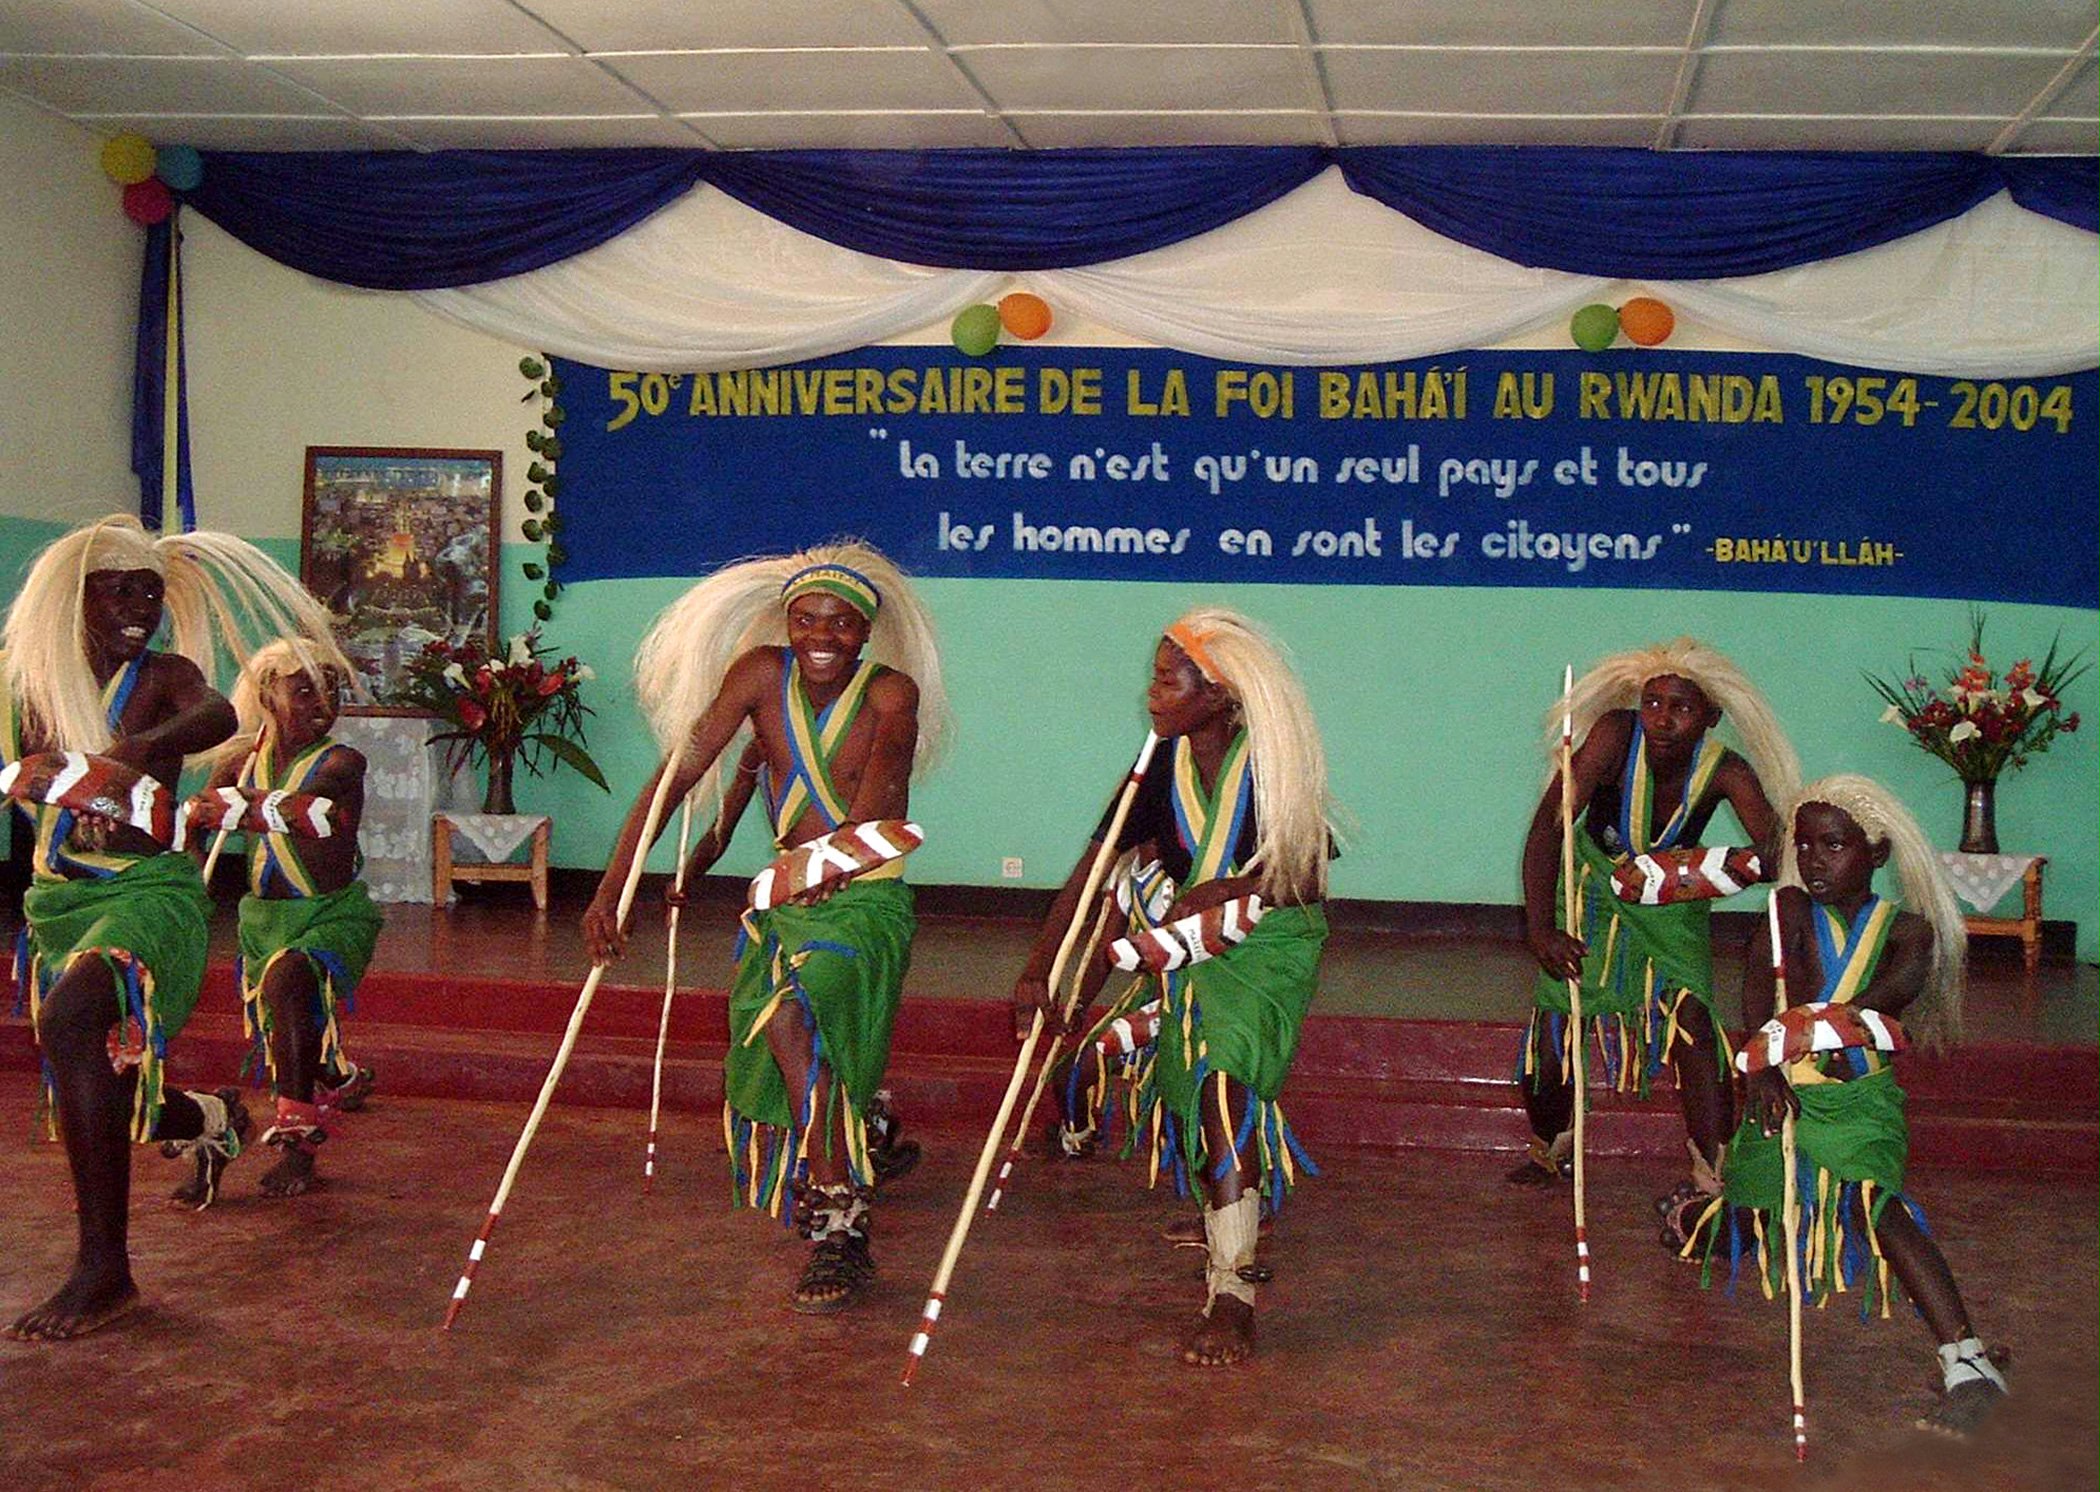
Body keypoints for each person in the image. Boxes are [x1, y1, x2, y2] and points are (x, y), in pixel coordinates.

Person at [1, 515, 341, 1339]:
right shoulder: (30, 689)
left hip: (151, 896)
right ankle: (212, 1121)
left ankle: (104, 1271)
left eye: (150, 591)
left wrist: (126, 753)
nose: (139, 606)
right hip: (56, 902)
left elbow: (216, 712)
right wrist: (48, 778)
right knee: (107, 1088)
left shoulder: (165, 678)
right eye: (120, 589)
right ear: (76, 599)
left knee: (76, 1020)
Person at [583, 542, 946, 1314]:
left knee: (788, 1020)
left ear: (865, 632)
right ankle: (857, 1133)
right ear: (786, 621)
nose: (822, 635)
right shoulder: (758, 674)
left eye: (842, 624)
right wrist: (617, 885)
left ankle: (842, 1220)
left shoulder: (891, 695)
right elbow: (677, 776)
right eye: (807, 619)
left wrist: (826, 870)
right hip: (788, 903)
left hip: (867, 900)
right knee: (792, 1032)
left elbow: (879, 806)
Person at [1014, 608, 1334, 1367]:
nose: (1151, 694)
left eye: (1167, 679)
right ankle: (1223, 1199)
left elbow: (1308, 876)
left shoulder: (1273, 760)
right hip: (1184, 949)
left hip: (1268, 948)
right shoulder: (1159, 766)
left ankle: (1233, 1292)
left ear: (1218, 695)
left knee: (1225, 1082)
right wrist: (1042, 967)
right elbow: (1095, 872)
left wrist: (1226, 888)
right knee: (1195, 1082)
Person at [1688, 776, 2009, 1437]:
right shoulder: (1787, 915)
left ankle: (1968, 1361)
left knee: (1872, 1206)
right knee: (1752, 1207)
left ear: (1879, 852)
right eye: (1804, 845)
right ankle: (1710, 1223)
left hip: (1858, 1104)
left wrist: (1835, 1031)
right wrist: (1765, 1072)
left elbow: (1880, 1003)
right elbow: (1756, 995)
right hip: (1784, 1100)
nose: (1813, 861)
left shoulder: (1910, 933)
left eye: (1832, 845)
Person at [1514, 639, 1797, 1243]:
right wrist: (1540, 927)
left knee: (1694, 1022)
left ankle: (1712, 1179)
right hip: (1589, 888)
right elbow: (1547, 829)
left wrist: (1718, 868)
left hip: (1668, 905)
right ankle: (1548, 1146)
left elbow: (1777, 852)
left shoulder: (1726, 770)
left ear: (1711, 717)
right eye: (1653, 703)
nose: (1663, 719)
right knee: (1556, 1032)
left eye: (1682, 708)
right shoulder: (1615, 735)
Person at [186, 637, 380, 1200]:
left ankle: (298, 1145)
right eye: (304, 690)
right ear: (268, 695)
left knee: (290, 981)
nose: (323, 701)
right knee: (291, 1019)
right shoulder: (237, 761)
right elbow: (199, 831)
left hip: (333, 915)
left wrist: (217, 807)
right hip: (263, 920)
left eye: (332, 689)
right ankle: (339, 1076)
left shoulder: (343, 762)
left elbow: (305, 809)